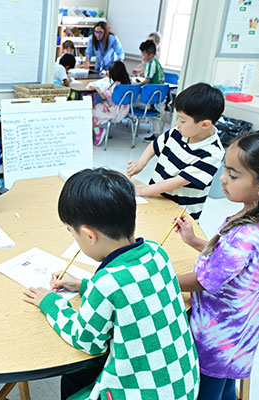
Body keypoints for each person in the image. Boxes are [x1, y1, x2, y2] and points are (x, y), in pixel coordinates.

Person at [23, 168, 199, 400]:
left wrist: (50, 302)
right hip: (184, 386)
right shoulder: (157, 253)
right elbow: (133, 292)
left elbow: (86, 341)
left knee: (73, 380)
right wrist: (84, 285)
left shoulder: (106, 282)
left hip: (142, 394)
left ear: (89, 235)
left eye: (71, 233)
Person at [174, 130, 259, 400]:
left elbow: (205, 281)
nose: (222, 178)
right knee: (225, 387)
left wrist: (161, 281)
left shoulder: (245, 234)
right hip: (242, 327)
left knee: (207, 391)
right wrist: (194, 240)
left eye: (233, 175)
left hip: (218, 333)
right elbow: (231, 261)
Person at [127, 83, 225, 220]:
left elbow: (178, 181)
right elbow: (155, 146)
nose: (176, 124)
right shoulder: (178, 132)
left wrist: (141, 191)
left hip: (180, 215)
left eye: (183, 120)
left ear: (205, 124)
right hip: (157, 197)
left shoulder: (212, 153)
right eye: (178, 117)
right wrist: (140, 163)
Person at [88, 61, 131, 145]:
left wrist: (97, 88)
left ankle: (98, 131)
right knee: (98, 106)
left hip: (114, 111)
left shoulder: (115, 86)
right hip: (124, 110)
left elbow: (104, 96)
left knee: (90, 111)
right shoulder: (128, 83)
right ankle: (98, 129)